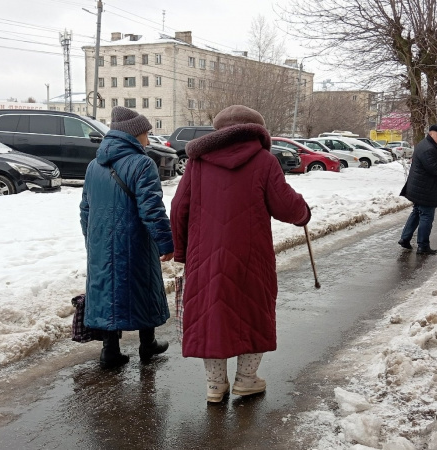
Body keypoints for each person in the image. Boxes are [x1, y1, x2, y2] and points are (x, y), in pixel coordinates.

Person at [170, 105, 311, 403]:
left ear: (219, 130)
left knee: (211, 315)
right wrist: (303, 213)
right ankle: (246, 380)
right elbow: (285, 204)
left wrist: (181, 251)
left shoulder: (197, 162)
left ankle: (214, 386)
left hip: (204, 256)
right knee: (252, 312)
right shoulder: (264, 160)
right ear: (255, 129)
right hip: (251, 256)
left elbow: (178, 207)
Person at [79, 106, 174, 370]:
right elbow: (152, 208)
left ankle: (110, 351)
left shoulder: (93, 165)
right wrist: (165, 242)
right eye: (146, 132)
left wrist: (91, 238)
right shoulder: (142, 163)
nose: (148, 137)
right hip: (135, 240)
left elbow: (85, 207)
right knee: (142, 286)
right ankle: (148, 344)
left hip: (100, 242)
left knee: (107, 290)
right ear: (134, 134)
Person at [398, 124, 437, 255]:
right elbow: (434, 168)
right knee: (426, 217)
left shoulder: (427, 144)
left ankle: (405, 238)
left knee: (417, 212)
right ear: (431, 133)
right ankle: (423, 245)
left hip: (421, 187)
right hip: (426, 189)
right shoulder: (428, 148)